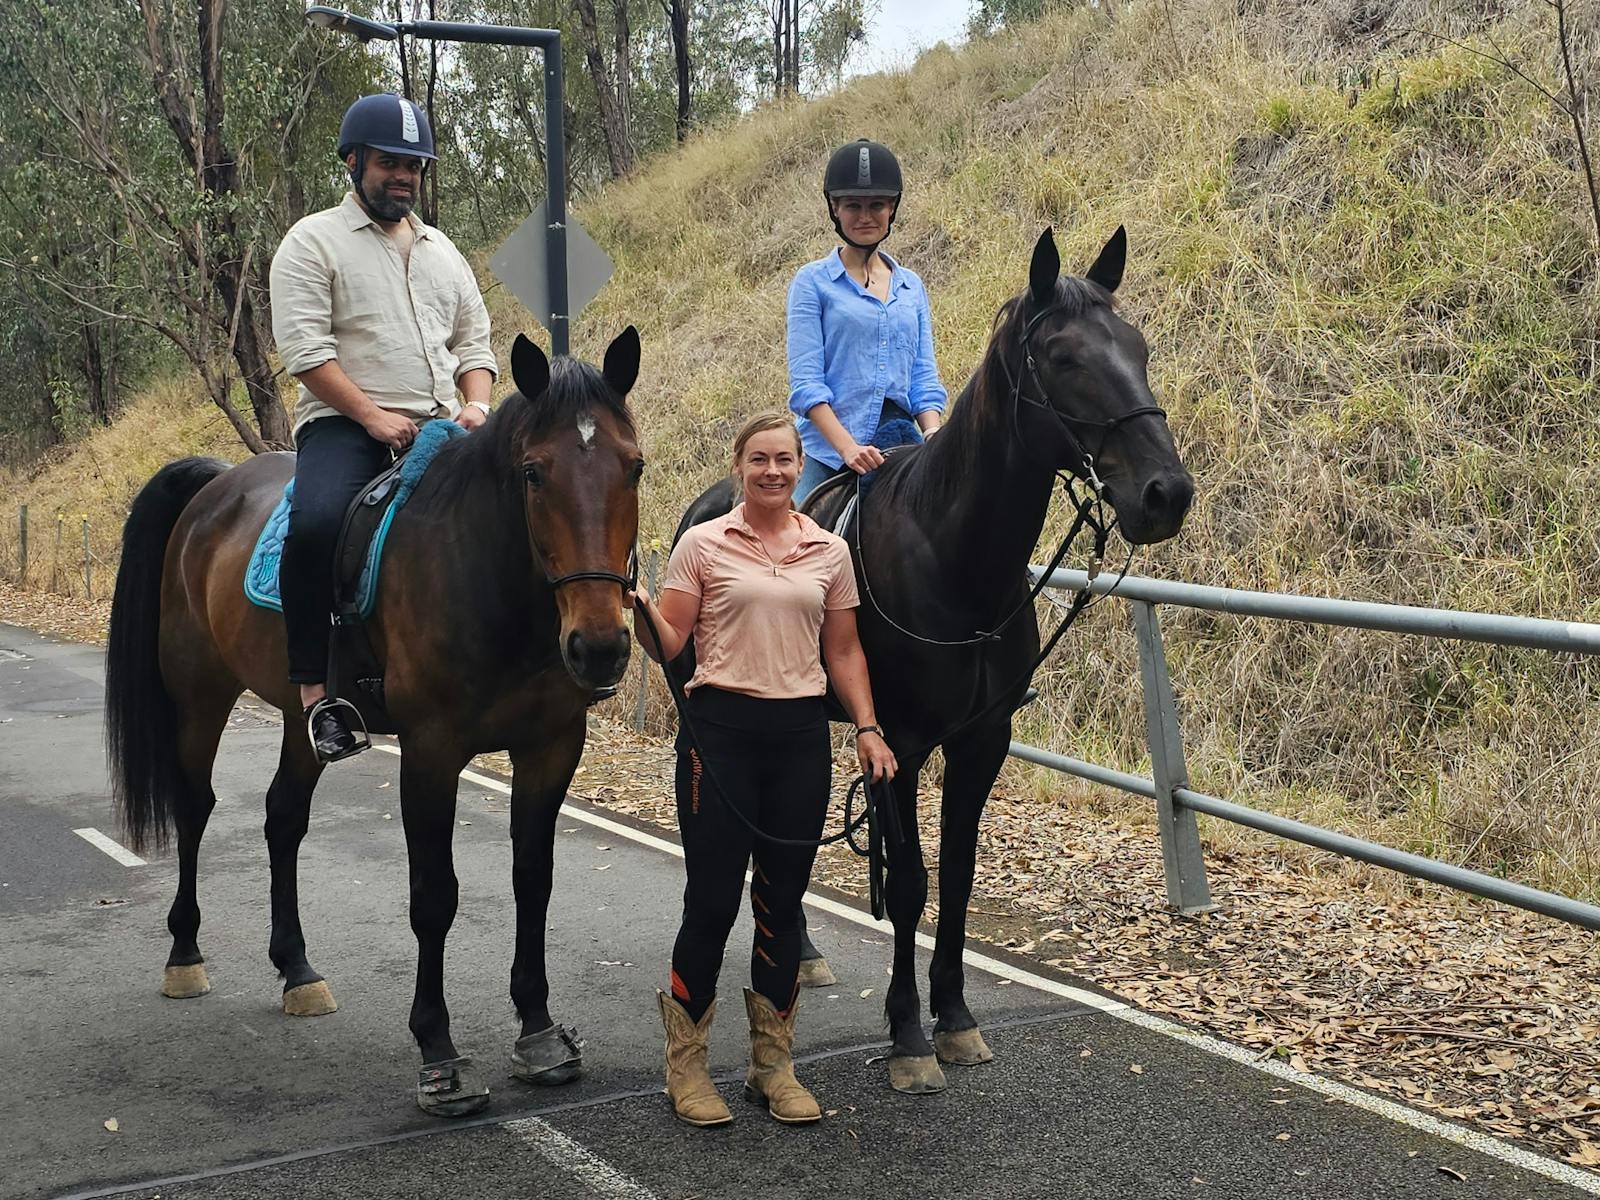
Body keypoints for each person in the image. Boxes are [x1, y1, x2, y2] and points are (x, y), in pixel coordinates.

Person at [630, 413, 897, 1127]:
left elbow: (843, 652)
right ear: (738, 466)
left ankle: (771, 1066)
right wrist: (640, 609)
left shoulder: (828, 551)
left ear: (798, 464)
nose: (773, 472)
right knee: (712, 901)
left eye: (784, 460)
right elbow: (671, 643)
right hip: (718, 735)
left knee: (782, 904)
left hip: (799, 738)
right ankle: (686, 1067)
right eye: (759, 460)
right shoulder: (703, 543)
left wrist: (867, 729)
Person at [269, 94, 496, 763]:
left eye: (414, 165)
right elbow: (307, 354)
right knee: (314, 523)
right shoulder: (313, 242)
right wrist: (373, 417)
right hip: (346, 428)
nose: (404, 176)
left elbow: (476, 347)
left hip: (442, 429)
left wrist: (477, 407)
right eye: (390, 162)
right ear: (354, 160)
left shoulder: (443, 251)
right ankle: (316, 695)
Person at [786, 138, 948, 504]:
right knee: (789, 538)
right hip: (830, 454)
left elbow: (923, 377)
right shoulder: (812, 283)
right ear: (834, 208)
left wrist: (934, 434)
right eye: (853, 206)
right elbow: (807, 385)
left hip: (903, 442)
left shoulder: (911, 286)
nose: (865, 216)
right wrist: (848, 449)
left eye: (876, 205)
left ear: (892, 209)